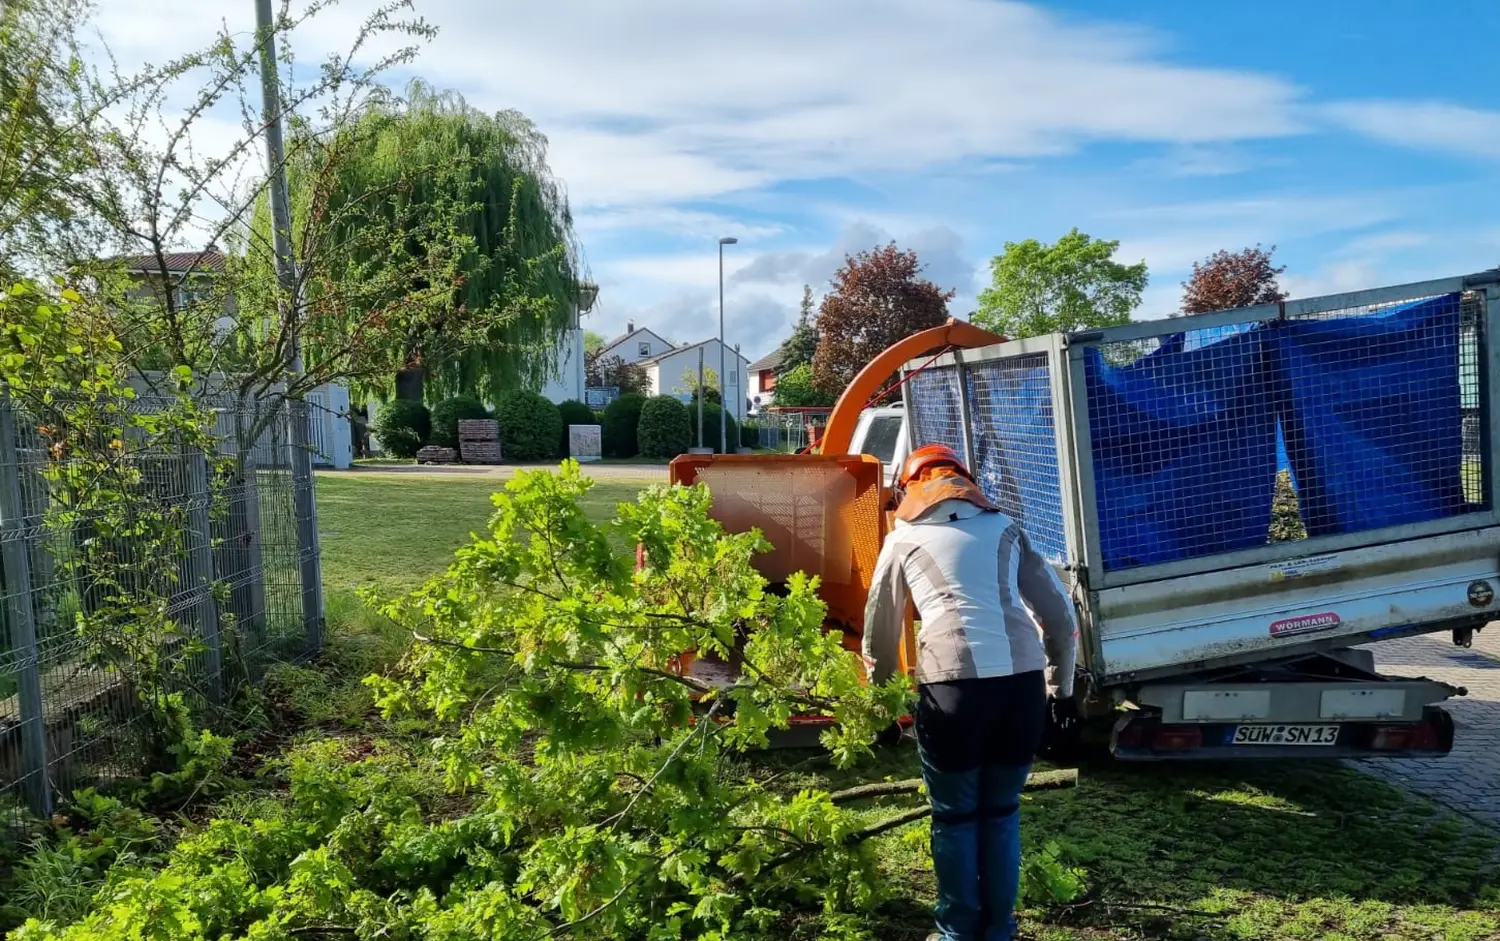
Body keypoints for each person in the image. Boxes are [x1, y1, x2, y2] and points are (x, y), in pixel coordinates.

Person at [862, 444, 1079, 941]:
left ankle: (957, 932)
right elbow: (1061, 617)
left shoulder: (902, 539)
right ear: (966, 483)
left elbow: (879, 637)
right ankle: (999, 929)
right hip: (1021, 691)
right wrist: (1059, 689)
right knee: (1001, 812)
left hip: (951, 691)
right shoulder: (1006, 527)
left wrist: (884, 708)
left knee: (956, 817)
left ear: (910, 489)